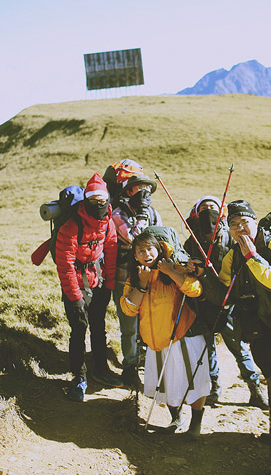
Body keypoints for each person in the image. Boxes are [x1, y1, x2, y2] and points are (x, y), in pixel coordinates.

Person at [198, 200, 271, 475]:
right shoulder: (232, 255)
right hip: (254, 328)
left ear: (255, 222)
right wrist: (202, 275)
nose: (239, 228)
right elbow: (224, 293)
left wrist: (253, 257)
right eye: (233, 224)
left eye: (244, 222)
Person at [119, 230, 210, 437]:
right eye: (140, 251)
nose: (146, 254)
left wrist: (170, 272)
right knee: (167, 383)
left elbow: (195, 289)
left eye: (150, 249)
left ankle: (195, 424)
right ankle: (176, 419)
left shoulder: (175, 267)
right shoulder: (135, 278)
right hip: (155, 341)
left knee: (193, 381)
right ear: (135, 256)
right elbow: (128, 309)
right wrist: (142, 284)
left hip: (183, 336)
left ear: (158, 249)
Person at [184, 196, 268, 409]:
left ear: (221, 211)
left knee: (238, 346)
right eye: (203, 208)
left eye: (212, 207)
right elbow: (185, 264)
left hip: (229, 301)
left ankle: (255, 389)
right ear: (196, 213)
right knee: (208, 347)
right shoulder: (191, 239)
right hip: (202, 301)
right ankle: (214, 388)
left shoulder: (230, 235)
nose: (208, 210)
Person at [56, 173, 124, 401]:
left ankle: (101, 369)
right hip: (76, 285)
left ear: (108, 200)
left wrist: (109, 285)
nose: (98, 204)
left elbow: (111, 253)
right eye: (93, 200)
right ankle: (79, 377)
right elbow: (65, 265)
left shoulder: (108, 223)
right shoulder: (72, 225)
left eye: (102, 200)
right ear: (86, 200)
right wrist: (74, 297)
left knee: (98, 326)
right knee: (78, 329)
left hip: (99, 282)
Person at [112, 174, 163, 389]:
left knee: (150, 321)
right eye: (138, 188)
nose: (143, 192)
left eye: (147, 188)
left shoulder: (154, 213)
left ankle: (146, 360)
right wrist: (142, 215)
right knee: (129, 326)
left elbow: (160, 241)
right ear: (129, 191)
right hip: (124, 277)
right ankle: (130, 366)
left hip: (151, 278)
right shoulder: (118, 213)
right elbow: (135, 240)